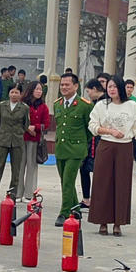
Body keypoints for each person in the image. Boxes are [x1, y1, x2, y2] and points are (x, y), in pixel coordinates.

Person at [88, 76, 136, 236]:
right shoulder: (102, 105)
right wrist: (110, 131)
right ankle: (102, 221)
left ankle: (118, 223)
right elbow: (92, 125)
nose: (111, 89)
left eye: (115, 86)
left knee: (121, 184)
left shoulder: (132, 105)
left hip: (125, 148)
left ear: (121, 88)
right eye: (109, 86)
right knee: (103, 183)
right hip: (106, 146)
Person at [52, 72, 94, 226]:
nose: (63, 87)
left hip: (76, 149)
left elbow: (90, 130)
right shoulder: (57, 104)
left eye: (67, 85)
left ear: (76, 86)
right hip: (61, 148)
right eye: (62, 85)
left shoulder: (85, 105)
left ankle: (64, 213)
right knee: (64, 180)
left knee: (68, 180)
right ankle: (76, 208)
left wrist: (82, 143)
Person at [0, 83, 28, 198]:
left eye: (17, 92)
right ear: (8, 93)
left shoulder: (24, 108)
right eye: (12, 92)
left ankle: (12, 196)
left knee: (16, 171)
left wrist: (18, 133)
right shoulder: (1, 105)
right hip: (2, 141)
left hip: (17, 141)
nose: (14, 95)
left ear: (21, 94)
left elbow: (25, 125)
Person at [20, 80, 51, 198]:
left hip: (35, 140)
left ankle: (29, 194)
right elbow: (18, 120)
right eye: (37, 89)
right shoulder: (22, 104)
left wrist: (35, 127)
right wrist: (27, 128)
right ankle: (17, 193)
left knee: (32, 166)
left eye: (40, 89)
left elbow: (46, 124)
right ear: (31, 90)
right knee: (20, 165)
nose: (39, 91)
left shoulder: (43, 107)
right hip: (22, 138)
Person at [80, 78, 105, 206]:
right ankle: (87, 199)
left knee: (98, 171)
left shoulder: (104, 103)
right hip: (93, 141)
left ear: (95, 89)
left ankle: (96, 200)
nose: (88, 94)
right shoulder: (96, 102)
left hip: (100, 140)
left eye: (88, 91)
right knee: (85, 168)